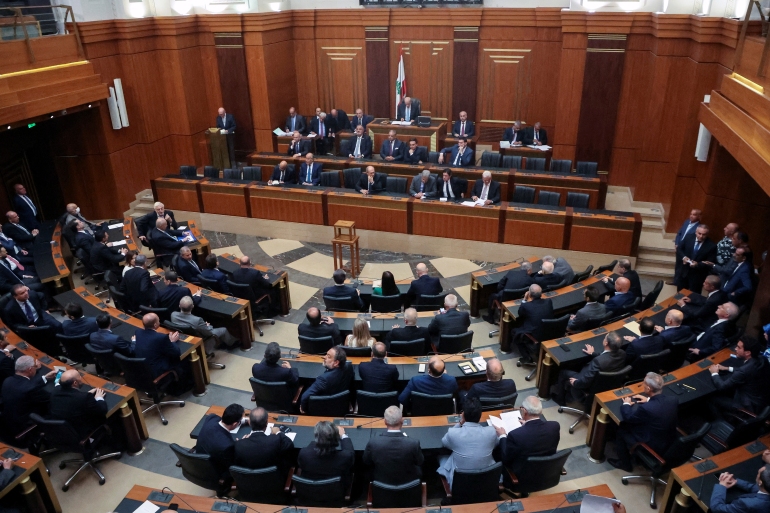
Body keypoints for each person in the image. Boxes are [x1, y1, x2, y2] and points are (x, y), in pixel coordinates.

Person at [609, 372, 678, 472]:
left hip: (651, 443)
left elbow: (629, 418)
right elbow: (659, 405)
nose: (642, 385)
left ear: (649, 388)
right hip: (668, 439)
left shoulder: (647, 408)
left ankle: (625, 464)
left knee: (622, 430)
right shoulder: (673, 400)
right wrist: (649, 399)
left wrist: (626, 404)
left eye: (644, 383)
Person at [551, 332, 627, 406]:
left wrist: (575, 383)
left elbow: (585, 382)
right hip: (607, 384)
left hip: (590, 386)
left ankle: (560, 399)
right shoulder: (622, 353)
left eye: (605, 338)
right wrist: (592, 353)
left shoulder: (598, 361)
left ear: (606, 343)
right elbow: (607, 357)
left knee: (563, 372)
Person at [494, 396, 560, 481]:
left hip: (520, 477)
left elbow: (506, 458)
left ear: (524, 411)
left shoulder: (515, 435)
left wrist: (502, 435)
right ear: (540, 411)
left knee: (496, 451)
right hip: (546, 471)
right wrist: (528, 424)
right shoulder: (554, 426)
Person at [709, 336, 770, 417]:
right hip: (760, 401)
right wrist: (727, 368)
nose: (735, 349)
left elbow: (722, 386)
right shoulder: (762, 359)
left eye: (738, 347)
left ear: (747, 352)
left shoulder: (743, 371)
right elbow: (748, 371)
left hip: (745, 406)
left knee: (711, 398)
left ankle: (720, 421)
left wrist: (714, 373)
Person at [363, 406, 424, 485]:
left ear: (385, 422)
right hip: (408, 482)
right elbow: (420, 461)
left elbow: (366, 461)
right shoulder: (413, 443)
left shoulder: (373, 442)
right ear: (402, 421)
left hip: (381, 481)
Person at [1, 356, 56, 437]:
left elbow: (26, 384)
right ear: (30, 369)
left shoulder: (8, 380)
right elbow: (51, 397)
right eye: (34, 367)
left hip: (10, 422)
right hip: (27, 425)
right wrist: (59, 384)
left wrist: (44, 378)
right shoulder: (30, 389)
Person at [133, 313, 189, 388]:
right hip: (157, 372)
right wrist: (172, 341)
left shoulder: (138, 332)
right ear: (155, 325)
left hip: (143, 369)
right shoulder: (161, 338)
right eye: (158, 320)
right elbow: (176, 353)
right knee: (184, 359)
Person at [50, 369, 108, 439]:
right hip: (81, 433)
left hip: (61, 431)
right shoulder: (84, 398)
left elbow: (71, 399)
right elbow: (102, 410)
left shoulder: (54, 391)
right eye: (80, 376)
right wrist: (98, 397)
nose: (81, 378)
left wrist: (86, 394)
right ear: (75, 383)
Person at [171, 296, 239, 353]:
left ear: (179, 306)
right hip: (203, 341)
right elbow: (209, 333)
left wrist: (203, 325)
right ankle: (232, 344)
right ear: (192, 306)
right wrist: (207, 326)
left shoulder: (173, 315)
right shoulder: (197, 320)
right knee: (223, 329)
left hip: (186, 340)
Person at [234, 407, 294, 472]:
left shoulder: (239, 444)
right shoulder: (275, 440)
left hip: (249, 480)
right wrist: (278, 432)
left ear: (249, 422)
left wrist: (243, 442)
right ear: (266, 422)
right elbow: (289, 444)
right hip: (274, 479)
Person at [297, 421, 355, 488]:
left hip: (309, 491)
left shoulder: (304, 454)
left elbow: (301, 465)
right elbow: (350, 453)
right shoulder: (345, 457)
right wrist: (343, 436)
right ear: (336, 439)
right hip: (335, 491)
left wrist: (321, 437)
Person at [195, 403, 243, 481]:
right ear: (235, 424)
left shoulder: (211, 418)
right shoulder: (227, 446)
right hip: (215, 470)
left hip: (199, 459)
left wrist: (243, 421)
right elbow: (232, 464)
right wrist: (240, 444)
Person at [300, 346, 354, 413]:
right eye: (326, 354)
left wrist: (303, 408)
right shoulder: (349, 366)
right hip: (342, 404)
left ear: (336, 363)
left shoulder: (323, 379)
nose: (324, 357)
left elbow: (305, 397)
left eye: (329, 356)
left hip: (325, 408)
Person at [510, 284, 555, 361]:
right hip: (549, 333)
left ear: (529, 294)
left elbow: (520, 313)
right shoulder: (548, 302)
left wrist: (524, 299)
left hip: (535, 335)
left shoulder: (527, 306)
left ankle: (526, 358)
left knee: (515, 332)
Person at [676, 224, 717, 293]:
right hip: (684, 272)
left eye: (704, 234)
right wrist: (684, 257)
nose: (701, 236)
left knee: (694, 295)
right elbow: (679, 249)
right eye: (699, 233)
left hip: (698, 276)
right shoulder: (689, 237)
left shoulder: (711, 246)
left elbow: (710, 262)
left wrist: (698, 264)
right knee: (680, 293)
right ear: (696, 232)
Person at [671, 208, 702, 286]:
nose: (691, 216)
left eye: (694, 215)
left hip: (687, 249)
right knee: (678, 265)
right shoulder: (686, 222)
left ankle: (681, 283)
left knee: (683, 267)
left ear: (698, 216)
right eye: (691, 214)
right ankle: (675, 281)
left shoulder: (699, 227)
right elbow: (679, 233)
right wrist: (676, 244)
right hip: (680, 247)